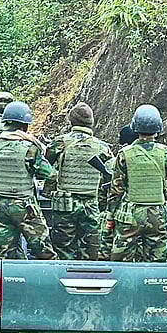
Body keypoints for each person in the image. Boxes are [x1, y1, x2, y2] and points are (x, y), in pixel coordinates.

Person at [0, 101, 57, 260]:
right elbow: (49, 174)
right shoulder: (30, 148)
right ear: (24, 126)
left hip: (0, 208)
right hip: (25, 208)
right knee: (45, 253)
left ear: (4, 122)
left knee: (2, 256)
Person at [110, 105, 167, 263]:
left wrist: (110, 216)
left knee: (121, 264)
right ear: (158, 128)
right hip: (156, 216)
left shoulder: (124, 154)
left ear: (135, 127)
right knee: (156, 265)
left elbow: (116, 190)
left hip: (129, 216)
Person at [45, 102, 112, 260]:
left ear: (71, 121)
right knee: (91, 253)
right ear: (91, 122)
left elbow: (46, 165)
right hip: (91, 206)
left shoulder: (60, 142)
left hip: (65, 206)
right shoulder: (102, 147)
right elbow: (111, 174)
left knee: (63, 252)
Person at [99, 124, 137, 260]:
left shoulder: (112, 162)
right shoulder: (141, 159)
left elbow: (103, 194)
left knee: (107, 251)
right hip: (136, 215)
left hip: (116, 214)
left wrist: (107, 212)